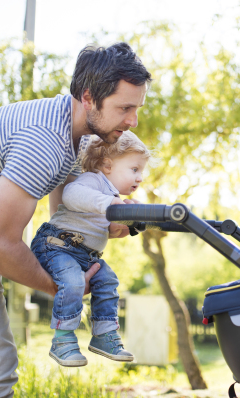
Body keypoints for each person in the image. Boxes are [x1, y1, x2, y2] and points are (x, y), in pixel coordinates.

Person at [0, 42, 152, 398]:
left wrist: (92, 236)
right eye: (125, 108)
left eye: (137, 108)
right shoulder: (46, 142)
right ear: (88, 97)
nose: (132, 122)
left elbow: (63, 214)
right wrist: (61, 286)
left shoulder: (76, 134)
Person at [30, 131, 151, 367]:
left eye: (141, 171)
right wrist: (110, 204)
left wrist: (134, 221)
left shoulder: (114, 196)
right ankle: (62, 340)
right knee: (73, 282)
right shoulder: (93, 180)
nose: (140, 177)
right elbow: (71, 194)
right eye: (134, 169)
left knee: (108, 281)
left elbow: (112, 229)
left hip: (85, 255)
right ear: (107, 165)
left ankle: (103, 335)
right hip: (57, 246)